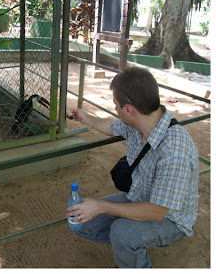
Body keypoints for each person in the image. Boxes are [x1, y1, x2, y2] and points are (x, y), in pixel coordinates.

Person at [66, 67, 199, 268]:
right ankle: (130, 246)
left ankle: (132, 250)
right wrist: (87, 118)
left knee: (123, 233)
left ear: (128, 110)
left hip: (170, 218)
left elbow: (156, 212)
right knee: (82, 220)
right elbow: (113, 126)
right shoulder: (140, 123)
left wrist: (100, 206)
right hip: (140, 196)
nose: (116, 111)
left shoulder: (174, 152)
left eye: (116, 106)